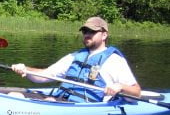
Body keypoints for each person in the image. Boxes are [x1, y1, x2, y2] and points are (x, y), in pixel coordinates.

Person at [10, 16, 141, 101]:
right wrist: (25, 69)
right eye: (85, 32)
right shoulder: (74, 57)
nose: (87, 35)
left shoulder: (114, 61)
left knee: (49, 101)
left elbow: (137, 92)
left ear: (104, 35)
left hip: (85, 107)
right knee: (14, 95)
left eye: (92, 32)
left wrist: (120, 86)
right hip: (61, 98)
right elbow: (44, 76)